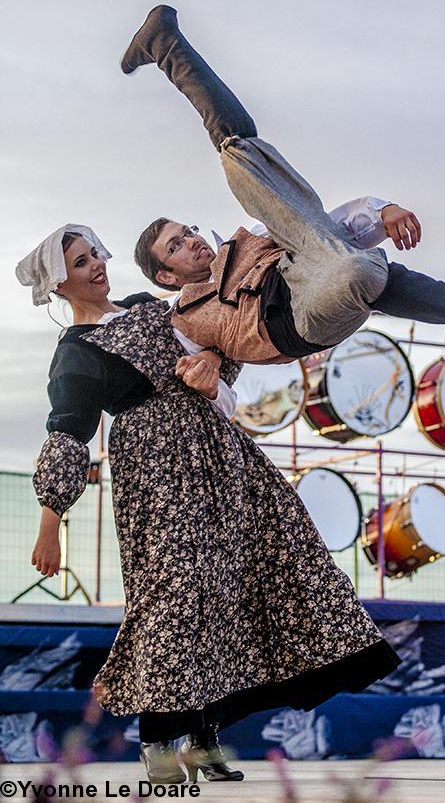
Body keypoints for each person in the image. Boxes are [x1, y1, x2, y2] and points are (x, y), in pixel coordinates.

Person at [16, 226, 399, 784]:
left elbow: (222, 342)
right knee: (175, 596)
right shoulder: (76, 350)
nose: (96, 264)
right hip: (157, 472)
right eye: (80, 262)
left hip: (222, 455)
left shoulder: (153, 307)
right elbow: (69, 433)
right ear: (60, 283)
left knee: (237, 582)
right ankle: (158, 738)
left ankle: (204, 737)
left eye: (96, 252)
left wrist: (217, 361)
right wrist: (50, 520)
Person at [122, 5, 445, 374]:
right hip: (296, 319)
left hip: (308, 267)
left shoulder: (248, 242)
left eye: (187, 231)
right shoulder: (182, 319)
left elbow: (318, 229)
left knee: (263, 178)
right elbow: (133, 334)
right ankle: (167, 48)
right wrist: (213, 361)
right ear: (165, 274)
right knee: (354, 270)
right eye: (176, 245)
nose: (192, 241)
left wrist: (384, 211)